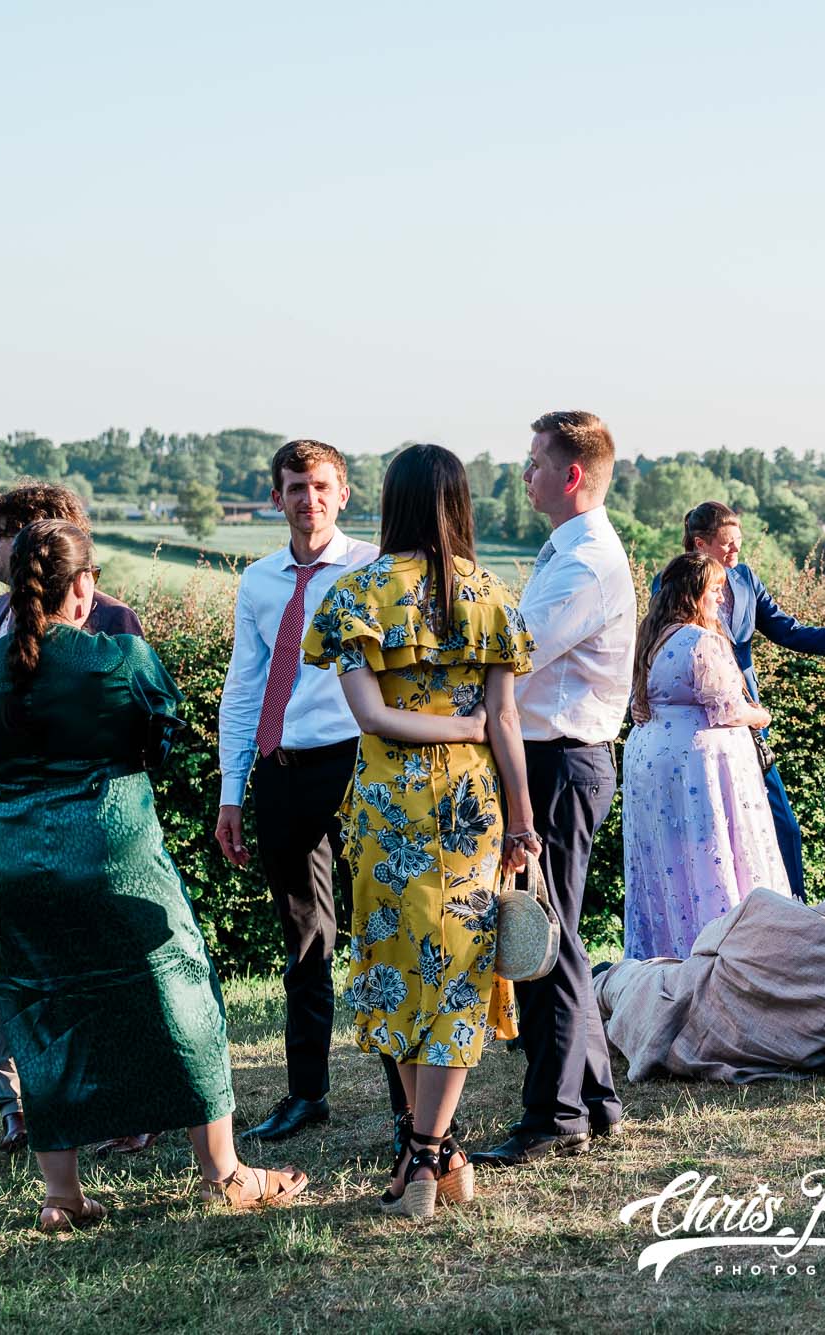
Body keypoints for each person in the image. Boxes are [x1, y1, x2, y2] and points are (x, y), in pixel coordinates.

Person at [0, 519, 306, 1230]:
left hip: (15, 862)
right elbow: (161, 736)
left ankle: (61, 1195)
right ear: (83, 588)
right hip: (114, 852)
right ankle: (224, 1173)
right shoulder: (120, 657)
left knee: (41, 1010)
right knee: (181, 991)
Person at [303, 442, 534, 1218]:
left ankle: (426, 1156)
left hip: (387, 806)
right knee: (458, 973)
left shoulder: (357, 594)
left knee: (400, 968)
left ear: (390, 502)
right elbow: (505, 720)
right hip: (472, 807)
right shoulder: (493, 594)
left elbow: (368, 716)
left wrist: (449, 725)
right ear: (461, 501)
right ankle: (440, 1152)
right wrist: (524, 819)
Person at [0, 481, 144, 1157]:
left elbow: (135, 736)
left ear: (32, 537)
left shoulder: (114, 620)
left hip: (75, 816)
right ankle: (15, 1104)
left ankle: (119, 1102)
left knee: (91, 958)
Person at [472, 411, 633, 1170]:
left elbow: (513, 655)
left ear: (571, 474)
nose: (525, 472)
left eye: (535, 461)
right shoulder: (570, 549)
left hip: (561, 761)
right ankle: (594, 1099)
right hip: (557, 756)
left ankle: (553, 1113)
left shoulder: (583, 563)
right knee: (557, 934)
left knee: (544, 938)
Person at [215, 439, 386, 1144]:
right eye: (294, 487)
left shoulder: (373, 566)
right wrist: (232, 790)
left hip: (360, 762)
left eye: (320, 486)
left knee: (385, 928)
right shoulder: (258, 581)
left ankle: (410, 1097)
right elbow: (244, 686)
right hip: (283, 769)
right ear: (277, 496)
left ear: (342, 494)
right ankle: (306, 1092)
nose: (308, 500)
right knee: (306, 939)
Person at [650, 500, 825, 899]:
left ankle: (794, 907)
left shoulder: (747, 579)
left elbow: (786, 629)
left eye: (739, 543)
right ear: (700, 544)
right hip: (696, 731)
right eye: (727, 544)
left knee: (783, 824)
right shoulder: (671, 582)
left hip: (745, 720)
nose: (736, 553)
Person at [597, 820, 825, 1083]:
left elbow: (701, 948)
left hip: (670, 1022)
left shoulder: (762, 904)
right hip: (704, 1039)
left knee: (611, 979)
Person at [621, 551, 791, 959]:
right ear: (695, 594)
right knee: (712, 854)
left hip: (653, 763)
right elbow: (727, 709)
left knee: (670, 864)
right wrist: (761, 713)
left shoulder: (650, 638)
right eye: (715, 590)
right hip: (699, 768)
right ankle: (730, 956)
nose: (721, 599)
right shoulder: (702, 641)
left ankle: (670, 954)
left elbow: (637, 707)